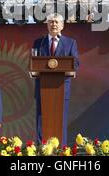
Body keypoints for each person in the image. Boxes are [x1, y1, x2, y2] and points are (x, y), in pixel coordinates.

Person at [32, 13, 79, 145]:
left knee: (60, 121)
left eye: (57, 22)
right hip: (42, 89)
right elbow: (33, 63)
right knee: (42, 121)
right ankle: (42, 150)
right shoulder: (39, 42)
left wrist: (66, 67)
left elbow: (75, 64)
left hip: (61, 89)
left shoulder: (70, 43)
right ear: (47, 25)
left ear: (62, 25)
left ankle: (61, 151)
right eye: (51, 22)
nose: (54, 24)